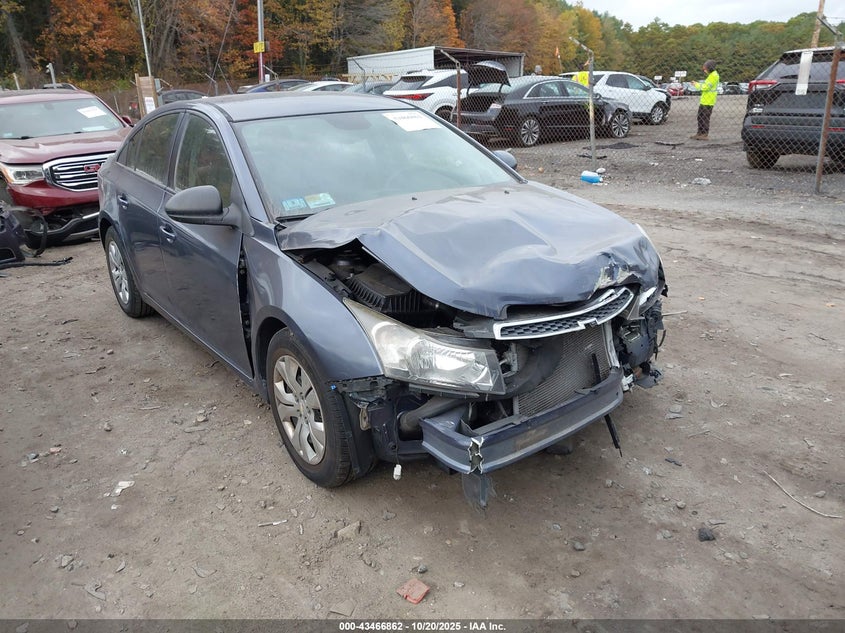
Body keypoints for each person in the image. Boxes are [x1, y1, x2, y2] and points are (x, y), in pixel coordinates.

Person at [691, 59, 719, 140]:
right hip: (705, 100)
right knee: (700, 117)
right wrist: (697, 84)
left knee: (705, 118)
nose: (704, 70)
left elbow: (705, 87)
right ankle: (699, 133)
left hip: (709, 101)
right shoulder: (711, 76)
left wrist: (696, 84)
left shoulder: (714, 76)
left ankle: (704, 134)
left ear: (710, 68)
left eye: (705, 69)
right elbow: (705, 85)